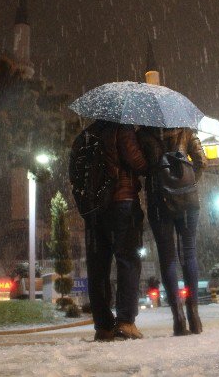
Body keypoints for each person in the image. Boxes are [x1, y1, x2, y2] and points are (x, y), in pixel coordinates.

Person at [82, 120, 148, 341]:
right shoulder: (123, 128)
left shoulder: (88, 134)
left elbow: (78, 169)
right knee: (128, 260)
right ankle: (125, 322)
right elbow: (137, 162)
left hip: (94, 207)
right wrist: (149, 160)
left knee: (98, 266)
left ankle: (103, 325)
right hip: (122, 201)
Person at [138, 126, 207, 335]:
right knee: (189, 253)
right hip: (187, 199)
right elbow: (202, 161)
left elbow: (139, 166)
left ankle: (178, 318)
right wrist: (187, 182)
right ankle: (194, 316)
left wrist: (155, 173)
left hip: (159, 201)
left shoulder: (143, 135)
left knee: (167, 257)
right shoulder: (185, 131)